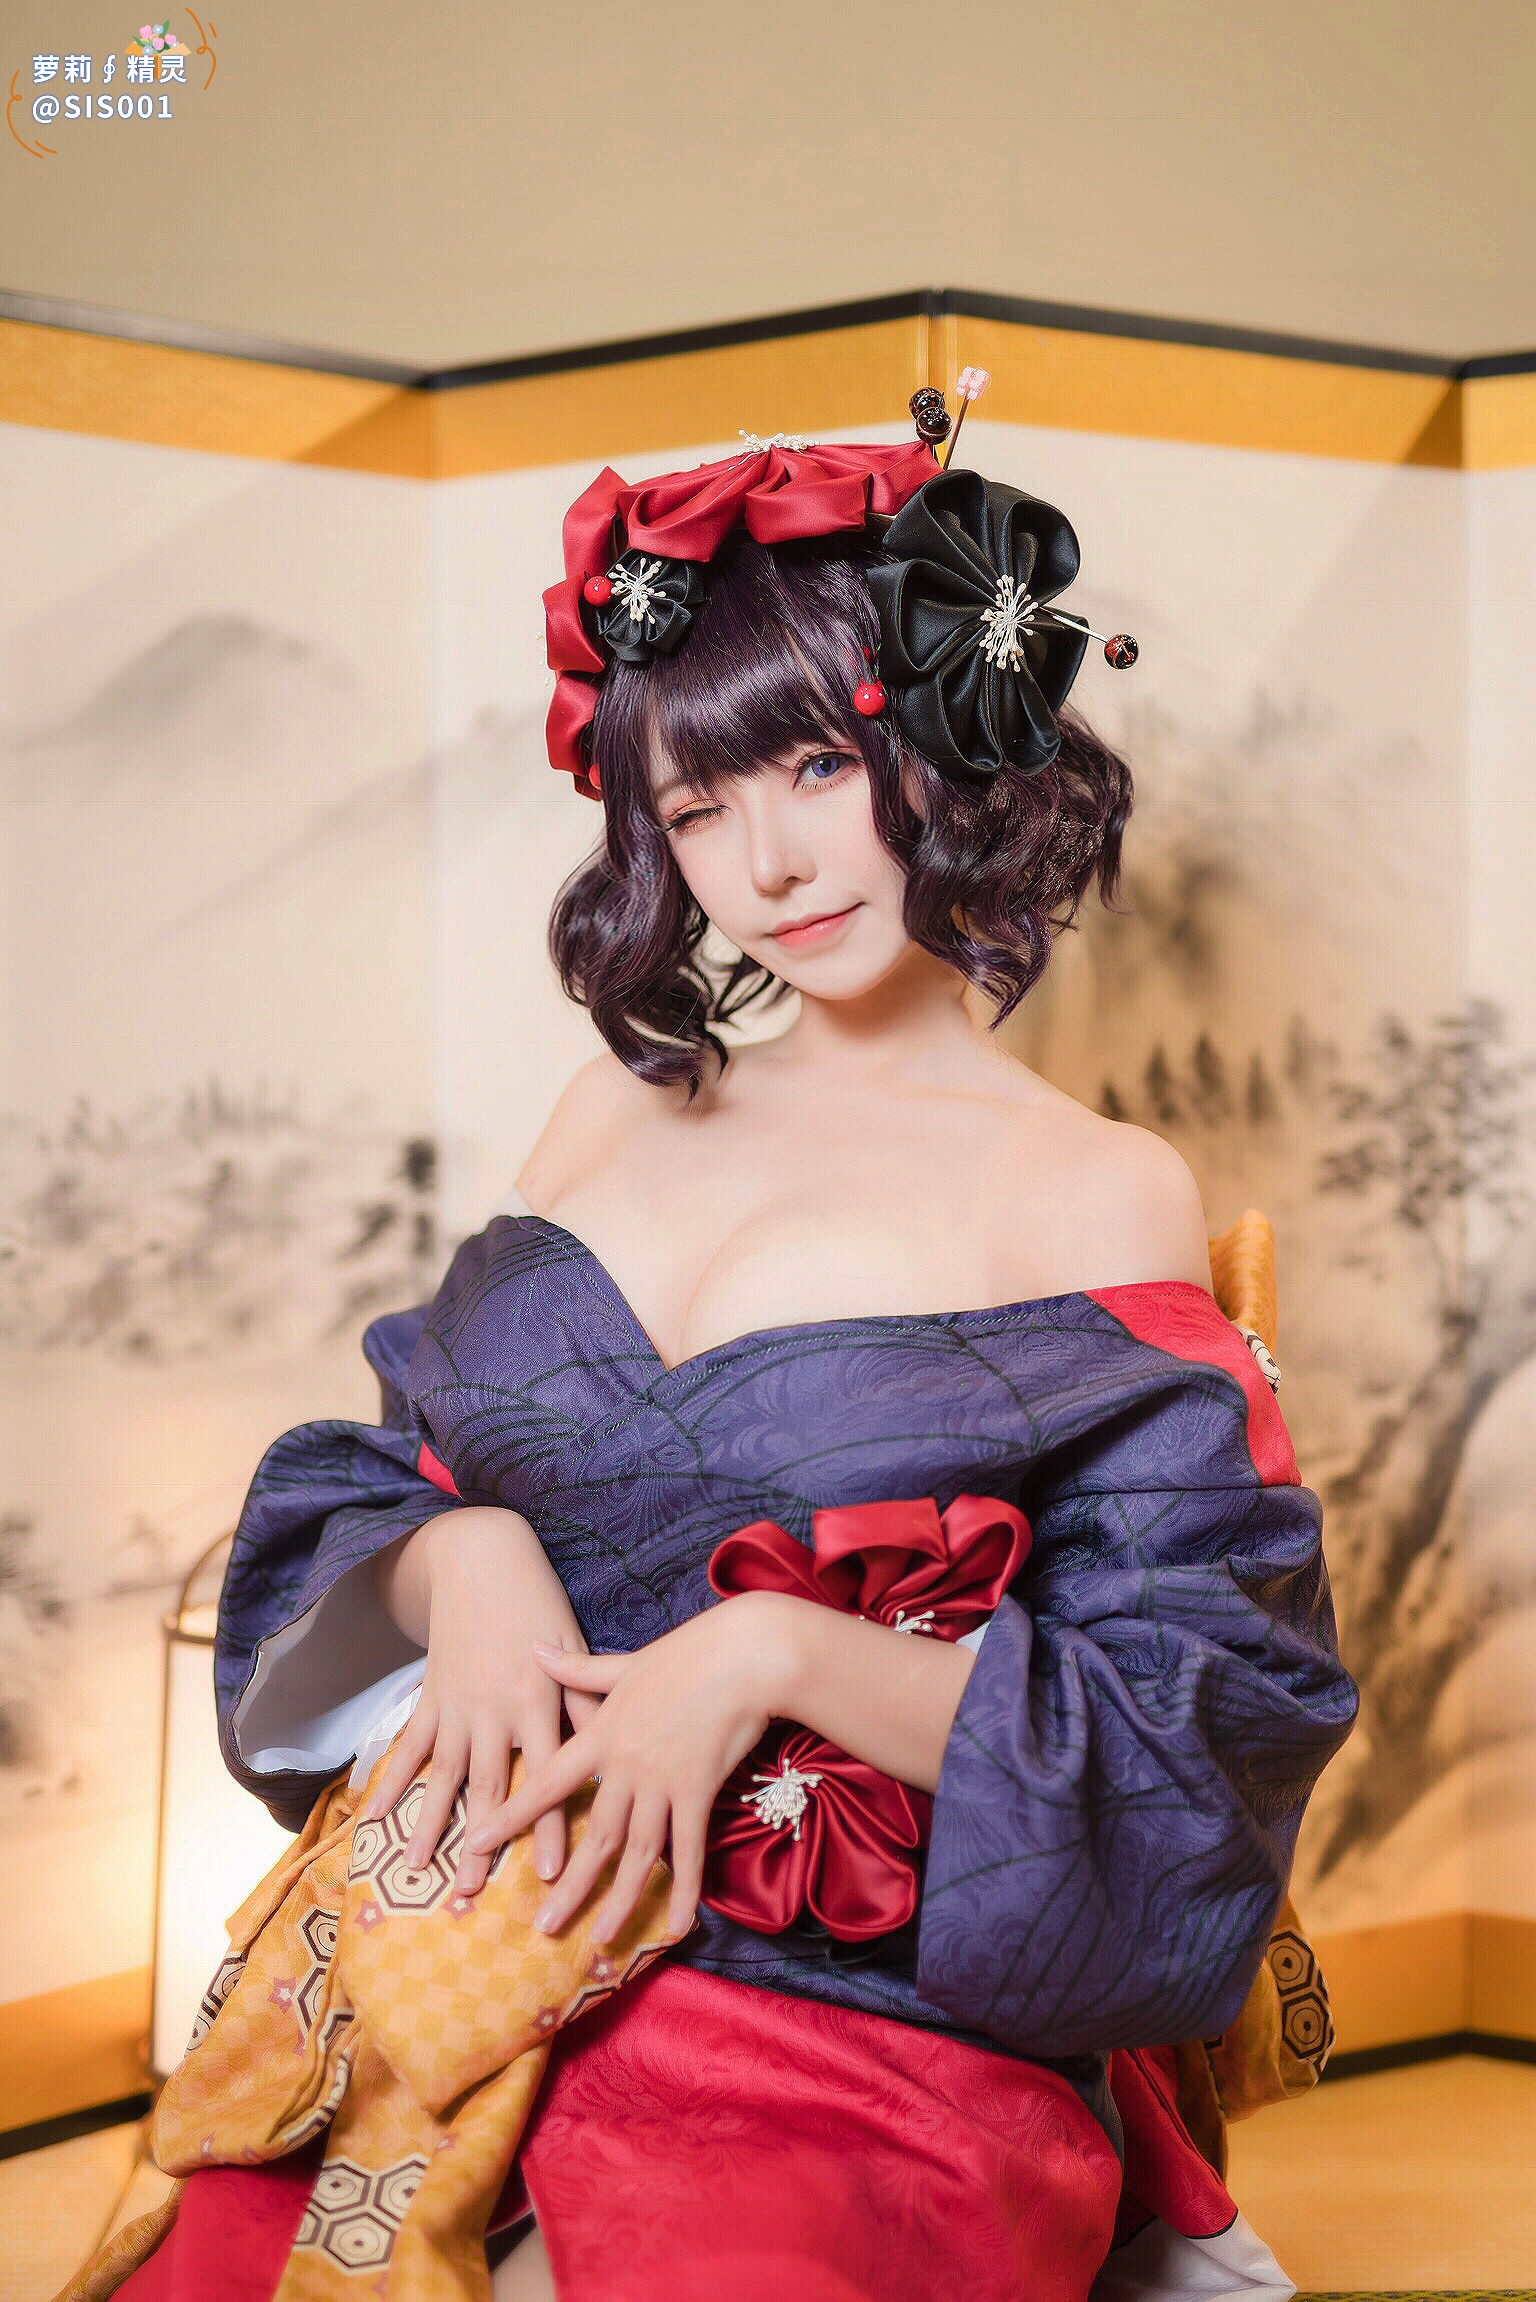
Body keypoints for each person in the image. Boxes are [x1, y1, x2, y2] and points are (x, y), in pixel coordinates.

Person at [94, 426, 1358, 2302]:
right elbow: (399, 1470)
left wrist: (775, 1653)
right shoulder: (610, 1107)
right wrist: (465, 1562)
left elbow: (1198, 1701)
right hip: (463, 1920)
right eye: (694, 806)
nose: (764, 863)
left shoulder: (1095, 1187)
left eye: (819, 765)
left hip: (854, 1991)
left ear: (954, 737)